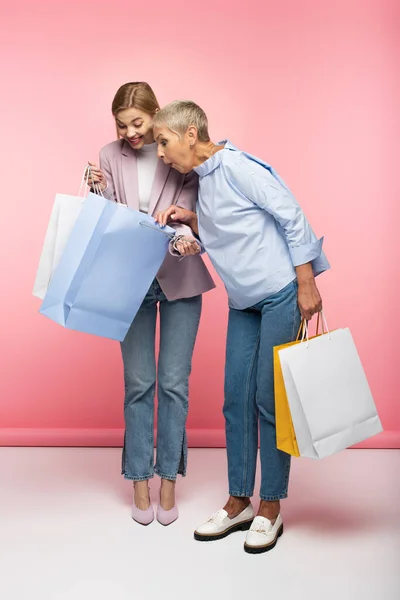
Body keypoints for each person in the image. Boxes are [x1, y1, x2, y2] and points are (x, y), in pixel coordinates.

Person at [153, 101, 330, 552]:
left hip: (280, 294)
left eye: (164, 141)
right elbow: (234, 227)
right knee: (235, 400)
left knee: (269, 400)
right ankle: (239, 501)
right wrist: (191, 221)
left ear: (190, 134)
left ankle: (270, 505)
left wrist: (306, 282)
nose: (160, 152)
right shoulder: (204, 181)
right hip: (243, 302)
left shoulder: (236, 166)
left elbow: (291, 215)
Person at [87, 85, 215, 526]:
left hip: (179, 277)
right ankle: (139, 480)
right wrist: (95, 193)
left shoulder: (174, 147)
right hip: (132, 281)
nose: (130, 132)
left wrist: (184, 229)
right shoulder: (109, 154)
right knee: (139, 383)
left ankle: (168, 481)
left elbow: (195, 207)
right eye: (122, 125)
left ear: (155, 116)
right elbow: (107, 224)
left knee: (174, 384)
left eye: (138, 123)